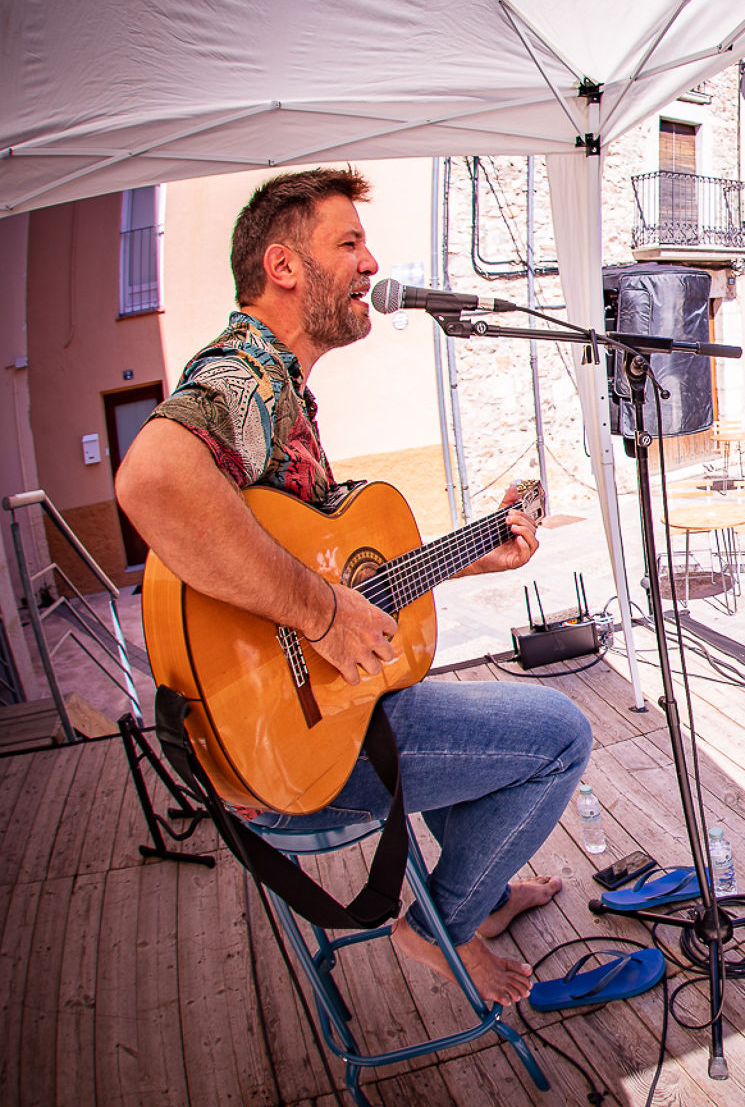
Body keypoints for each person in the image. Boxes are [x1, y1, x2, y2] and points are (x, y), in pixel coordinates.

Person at [112, 167, 588, 1006]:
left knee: (432, 686)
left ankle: (474, 902)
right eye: (348, 243)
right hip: (293, 751)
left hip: (303, 729)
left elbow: (335, 568)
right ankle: (443, 918)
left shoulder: (285, 391)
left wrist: (476, 553)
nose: (372, 263)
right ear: (283, 267)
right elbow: (151, 481)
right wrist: (322, 612)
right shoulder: (248, 372)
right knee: (560, 733)